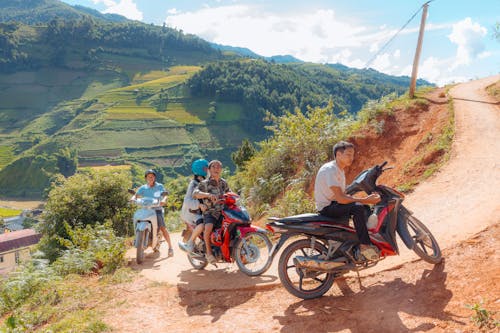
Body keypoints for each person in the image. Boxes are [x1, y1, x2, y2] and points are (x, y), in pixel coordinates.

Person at [314, 141, 381, 261]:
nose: (352, 158)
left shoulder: (339, 170)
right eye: (348, 154)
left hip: (334, 204)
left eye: (353, 154)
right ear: (338, 155)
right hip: (327, 207)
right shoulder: (330, 170)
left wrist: (364, 200)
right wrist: (366, 200)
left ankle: (359, 241)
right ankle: (365, 245)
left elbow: (342, 195)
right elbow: (341, 198)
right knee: (358, 207)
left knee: (363, 207)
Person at [192, 160, 230, 264]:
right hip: (210, 212)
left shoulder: (223, 183)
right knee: (208, 227)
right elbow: (195, 194)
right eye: (213, 167)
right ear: (209, 170)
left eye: (218, 167)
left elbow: (229, 193)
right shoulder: (204, 183)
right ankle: (209, 253)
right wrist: (207, 195)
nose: (216, 169)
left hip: (223, 212)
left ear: (221, 169)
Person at [132, 169, 174, 257]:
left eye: (152, 176)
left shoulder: (159, 186)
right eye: (148, 177)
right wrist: (133, 198)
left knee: (162, 227)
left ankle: (170, 247)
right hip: (146, 209)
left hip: (157, 209)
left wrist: (163, 200)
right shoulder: (143, 187)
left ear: (154, 177)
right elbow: (136, 195)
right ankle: (138, 239)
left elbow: (165, 195)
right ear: (146, 178)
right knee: (137, 218)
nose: (150, 178)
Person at [178, 159, 209, 254]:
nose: (207, 170)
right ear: (200, 169)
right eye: (205, 168)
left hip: (200, 211)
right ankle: (189, 243)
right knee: (202, 224)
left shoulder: (204, 181)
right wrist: (199, 205)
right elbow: (187, 201)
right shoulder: (194, 184)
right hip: (192, 212)